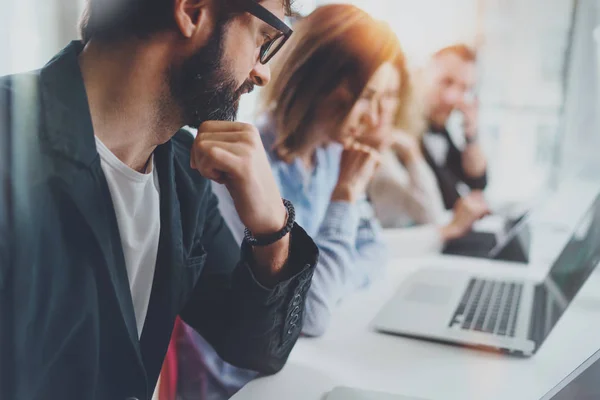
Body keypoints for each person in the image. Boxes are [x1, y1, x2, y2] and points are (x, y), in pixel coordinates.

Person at [0, 0, 320, 399]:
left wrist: (273, 226)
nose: (263, 72)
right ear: (191, 11)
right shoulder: (9, 142)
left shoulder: (183, 173)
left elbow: (256, 349)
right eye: (263, 38)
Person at [366, 72, 489, 256]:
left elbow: (478, 181)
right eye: (369, 96)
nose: (384, 107)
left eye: (391, 96)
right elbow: (366, 247)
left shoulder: (396, 148)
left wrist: (411, 153)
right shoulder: (376, 157)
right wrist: (445, 230)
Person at [420, 44, 488, 210]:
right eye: (445, 82)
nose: (451, 97)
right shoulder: (408, 131)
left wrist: (471, 133)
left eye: (464, 88)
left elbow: (478, 180)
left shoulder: (441, 131)